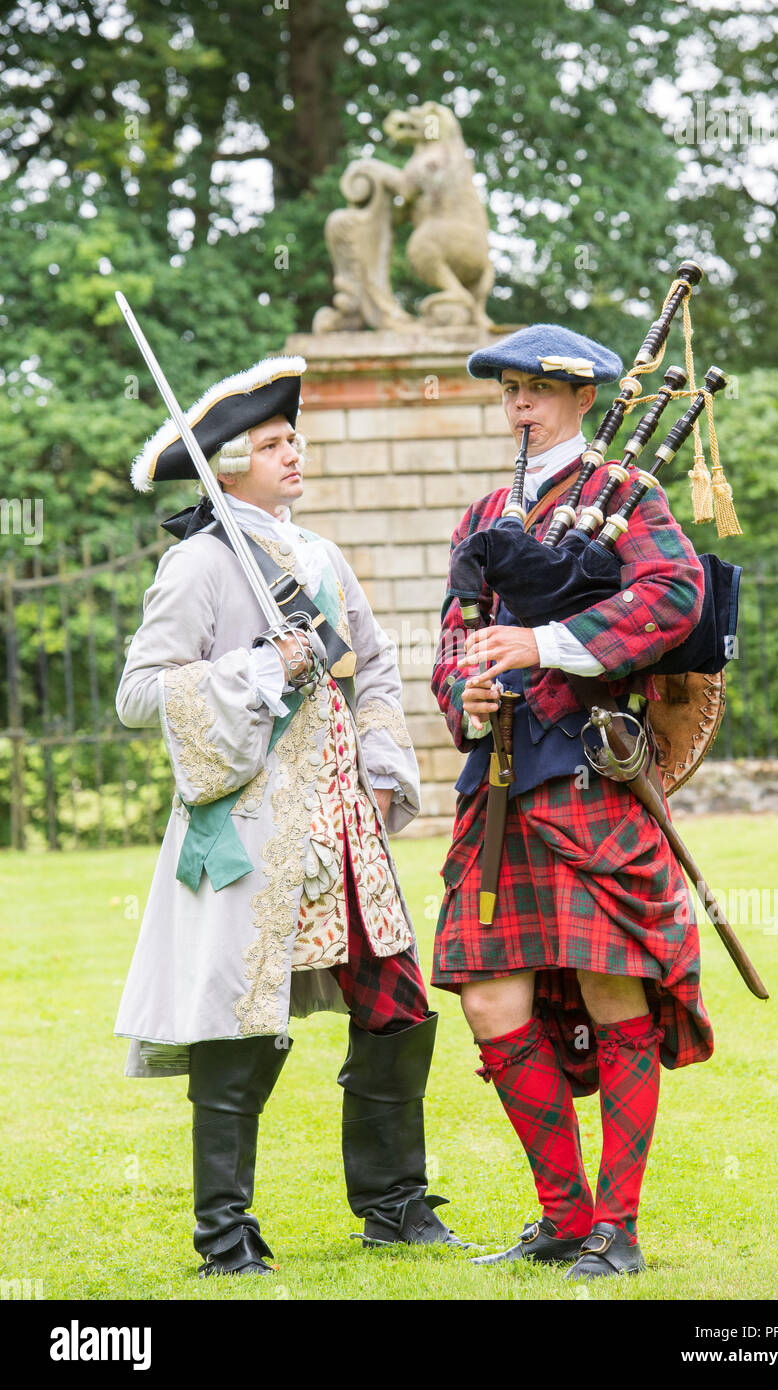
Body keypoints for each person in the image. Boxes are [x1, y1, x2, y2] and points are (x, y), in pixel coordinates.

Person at [115, 355, 462, 1276]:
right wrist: (260, 669)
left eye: (293, 438)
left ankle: (394, 1206)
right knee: (240, 1024)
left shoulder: (321, 556)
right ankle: (225, 1237)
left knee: (396, 1000)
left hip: (346, 827)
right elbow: (140, 693)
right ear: (228, 470)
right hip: (256, 834)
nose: (294, 452)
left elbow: (376, 670)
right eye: (273, 445)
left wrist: (385, 769)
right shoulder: (197, 564)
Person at [430, 324, 714, 1279]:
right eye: (510, 389)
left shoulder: (629, 495)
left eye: (540, 390)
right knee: (488, 994)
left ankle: (618, 1229)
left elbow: (678, 597)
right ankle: (565, 1216)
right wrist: (463, 694)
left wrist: (545, 645)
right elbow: (453, 638)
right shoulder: (479, 514)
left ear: (584, 398)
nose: (521, 405)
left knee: (609, 985)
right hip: (498, 785)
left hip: (590, 773)